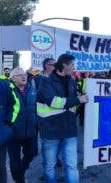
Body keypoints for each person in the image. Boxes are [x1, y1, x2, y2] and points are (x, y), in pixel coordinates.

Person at [37, 54, 88, 183]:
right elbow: (53, 101)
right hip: (51, 130)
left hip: (69, 130)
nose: (74, 67)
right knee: (50, 166)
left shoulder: (71, 80)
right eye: (72, 65)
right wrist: (77, 100)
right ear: (64, 65)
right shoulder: (45, 81)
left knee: (72, 166)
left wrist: (82, 98)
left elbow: (74, 102)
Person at [7, 68, 38, 183]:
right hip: (13, 133)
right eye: (19, 75)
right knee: (14, 161)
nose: (23, 76)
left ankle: (22, 170)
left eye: (24, 74)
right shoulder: (8, 90)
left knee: (31, 154)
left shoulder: (32, 89)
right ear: (13, 78)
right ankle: (19, 180)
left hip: (31, 131)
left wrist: (38, 124)